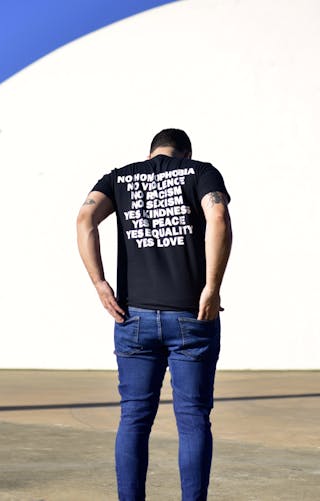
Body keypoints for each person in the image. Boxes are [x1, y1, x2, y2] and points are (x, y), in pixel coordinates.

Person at [76, 128, 232, 501]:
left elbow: (84, 219)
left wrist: (100, 284)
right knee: (193, 420)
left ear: (151, 153)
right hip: (191, 315)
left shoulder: (119, 177)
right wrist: (211, 287)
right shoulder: (200, 172)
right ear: (185, 153)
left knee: (133, 418)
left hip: (133, 317)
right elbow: (219, 217)